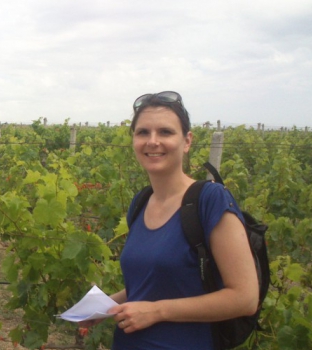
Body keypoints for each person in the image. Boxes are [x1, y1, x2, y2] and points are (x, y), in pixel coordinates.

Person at [80, 91, 258, 349]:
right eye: (142, 133)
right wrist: (106, 306)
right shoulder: (141, 203)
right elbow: (153, 286)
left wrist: (158, 312)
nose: (152, 141)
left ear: (186, 141)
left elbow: (244, 298)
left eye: (165, 132)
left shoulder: (210, 200)